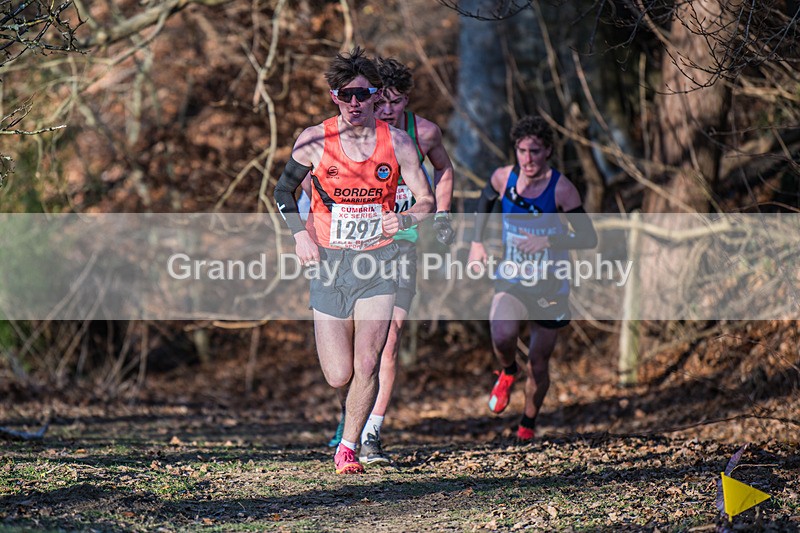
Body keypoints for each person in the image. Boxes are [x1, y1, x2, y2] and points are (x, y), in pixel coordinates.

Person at [273, 47, 434, 474]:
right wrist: (299, 236)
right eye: (348, 95)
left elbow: (427, 201)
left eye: (364, 94)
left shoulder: (397, 142)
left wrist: (401, 220)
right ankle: (347, 423)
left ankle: (349, 445)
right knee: (338, 374)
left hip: (379, 263)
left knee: (368, 361)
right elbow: (281, 192)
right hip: (329, 264)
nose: (357, 103)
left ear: (375, 94)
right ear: (334, 96)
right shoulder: (313, 140)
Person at [326, 57, 456, 464]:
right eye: (378, 101)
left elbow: (444, 171)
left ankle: (371, 433)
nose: (385, 111)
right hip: (354, 249)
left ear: (405, 102)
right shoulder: (351, 130)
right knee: (347, 356)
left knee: (390, 338)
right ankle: (352, 414)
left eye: (394, 103)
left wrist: (443, 214)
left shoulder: (424, 133)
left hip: (403, 240)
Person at [467, 115, 597, 440]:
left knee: (538, 363)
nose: (527, 159)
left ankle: (527, 425)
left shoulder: (562, 189)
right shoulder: (504, 178)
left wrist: (549, 240)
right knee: (501, 332)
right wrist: (476, 243)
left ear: (548, 151)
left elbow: (587, 237)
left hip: (551, 284)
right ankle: (508, 371)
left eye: (535, 151)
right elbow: (485, 199)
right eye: (522, 151)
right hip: (512, 276)